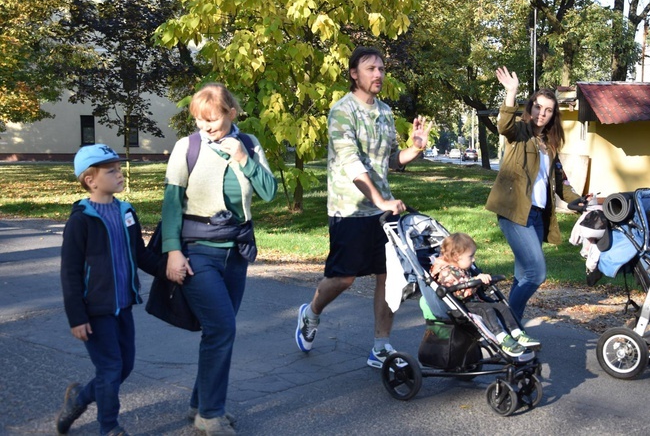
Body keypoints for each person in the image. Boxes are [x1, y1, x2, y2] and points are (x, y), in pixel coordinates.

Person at [295, 46, 432, 368]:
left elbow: (389, 161)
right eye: (371, 68)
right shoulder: (342, 111)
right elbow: (352, 164)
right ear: (354, 74)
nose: (379, 74)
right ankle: (311, 313)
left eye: (382, 69)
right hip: (349, 209)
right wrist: (379, 199)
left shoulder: (384, 112)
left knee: (389, 277)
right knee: (344, 278)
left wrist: (414, 149)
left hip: (383, 213)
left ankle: (381, 345)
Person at [162, 83, 277, 436]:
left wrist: (244, 159)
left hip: (236, 253)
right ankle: (210, 415)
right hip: (198, 251)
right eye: (199, 121)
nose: (205, 128)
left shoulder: (251, 144)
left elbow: (268, 192)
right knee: (222, 328)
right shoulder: (187, 147)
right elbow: (171, 203)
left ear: (231, 112)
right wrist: (173, 251)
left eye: (212, 120)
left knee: (217, 332)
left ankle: (199, 403)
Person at [58, 144, 163, 436]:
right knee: (110, 369)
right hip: (94, 310)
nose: (119, 174)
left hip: (123, 306)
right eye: (111, 170)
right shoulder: (81, 220)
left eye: (119, 168)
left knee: (123, 367)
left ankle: (79, 398)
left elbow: (140, 255)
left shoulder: (126, 211)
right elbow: (70, 271)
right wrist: (76, 316)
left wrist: (168, 270)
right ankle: (109, 427)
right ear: (90, 180)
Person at [485, 67, 582, 320]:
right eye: (538, 107)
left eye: (548, 110)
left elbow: (559, 180)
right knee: (536, 274)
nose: (542, 113)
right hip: (515, 212)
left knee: (522, 275)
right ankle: (506, 323)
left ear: (553, 115)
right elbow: (503, 125)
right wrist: (511, 92)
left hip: (537, 216)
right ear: (531, 107)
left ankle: (510, 329)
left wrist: (579, 201)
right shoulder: (520, 132)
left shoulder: (549, 143)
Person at [430, 232, 541, 357]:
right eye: (471, 256)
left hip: (473, 302)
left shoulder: (460, 268)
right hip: (461, 305)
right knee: (487, 309)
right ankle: (501, 337)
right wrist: (476, 281)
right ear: (456, 256)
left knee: (502, 307)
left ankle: (517, 333)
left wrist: (482, 282)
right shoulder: (446, 272)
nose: (474, 259)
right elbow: (460, 293)